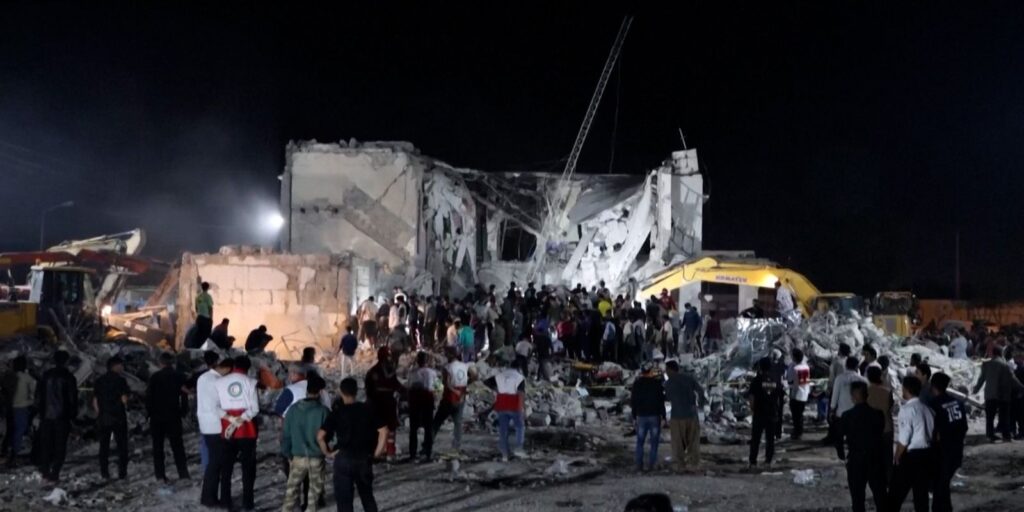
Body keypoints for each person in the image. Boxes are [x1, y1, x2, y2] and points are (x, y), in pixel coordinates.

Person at [318, 378, 387, 512]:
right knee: (367, 497)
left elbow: (320, 436)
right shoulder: (367, 409)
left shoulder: (337, 412)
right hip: (363, 457)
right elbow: (384, 431)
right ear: (356, 391)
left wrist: (328, 453)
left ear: (341, 392)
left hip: (343, 458)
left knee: (344, 502)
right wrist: (377, 453)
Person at [215, 356, 260, 511]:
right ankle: (248, 504)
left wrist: (231, 420)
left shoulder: (219, 382)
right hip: (247, 430)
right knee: (248, 468)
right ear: (248, 368)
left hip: (227, 429)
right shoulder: (251, 382)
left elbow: (216, 407)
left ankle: (225, 502)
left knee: (226, 468)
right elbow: (254, 409)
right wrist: (240, 419)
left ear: (234, 366)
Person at [835, 381, 887, 512]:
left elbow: (838, 438)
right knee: (880, 496)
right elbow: (880, 433)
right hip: (875, 459)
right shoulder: (878, 414)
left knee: (857, 498)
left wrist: (842, 455)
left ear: (853, 396)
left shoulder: (847, 416)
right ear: (867, 395)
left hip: (856, 459)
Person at [281, 373, 331, 512]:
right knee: (313, 497)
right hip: (316, 458)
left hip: (297, 457)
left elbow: (286, 435)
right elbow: (329, 436)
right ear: (320, 392)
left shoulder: (293, 409)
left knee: (290, 495)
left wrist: (287, 454)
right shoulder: (323, 411)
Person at [888, 376, 935, 512]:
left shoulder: (907, 410)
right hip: (926, 455)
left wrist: (897, 456)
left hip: (911, 457)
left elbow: (904, 439)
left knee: (895, 495)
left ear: (906, 389)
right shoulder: (928, 409)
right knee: (921, 496)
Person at [147, 352, 190, 482]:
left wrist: (149, 414)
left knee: (158, 447)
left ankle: (160, 475)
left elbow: (149, 398)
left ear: (160, 363)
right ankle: (183, 473)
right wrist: (183, 412)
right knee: (177, 446)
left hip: (157, 417)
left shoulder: (155, 377)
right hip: (174, 415)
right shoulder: (180, 376)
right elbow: (184, 396)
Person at [930, 372, 968, 512]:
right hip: (956, 450)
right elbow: (964, 427)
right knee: (943, 484)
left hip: (942, 453)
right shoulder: (958, 402)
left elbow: (933, 431)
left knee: (939, 485)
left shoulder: (934, 404)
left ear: (933, 386)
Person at [199, 356, 232, 508]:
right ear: (227, 369)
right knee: (215, 463)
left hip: (205, 424)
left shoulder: (203, 377)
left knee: (213, 462)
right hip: (215, 425)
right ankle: (208, 498)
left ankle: (208, 496)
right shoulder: (217, 381)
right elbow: (215, 406)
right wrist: (230, 417)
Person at [973, 346, 1024, 442]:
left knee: (990, 417)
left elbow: (981, 379)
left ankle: (990, 435)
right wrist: (1021, 388)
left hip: (990, 394)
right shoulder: (1004, 365)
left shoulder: (986, 364)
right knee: (1004, 416)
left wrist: (975, 390)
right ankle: (1006, 436)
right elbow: (1012, 378)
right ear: (1001, 353)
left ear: (993, 353)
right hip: (1002, 395)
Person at [664, 360, 706, 472]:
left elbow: (668, 397)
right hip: (692, 414)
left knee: (677, 442)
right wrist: (701, 404)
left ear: (670, 370)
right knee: (693, 441)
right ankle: (694, 464)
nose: (666, 372)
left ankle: (680, 465)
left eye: (666, 370)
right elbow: (700, 391)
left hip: (677, 415)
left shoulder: (668, 383)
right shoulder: (688, 378)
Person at [484, 354, 526, 461]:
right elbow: (521, 393)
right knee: (519, 427)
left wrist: (497, 390)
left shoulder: (500, 375)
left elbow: (486, 382)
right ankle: (518, 449)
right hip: (514, 403)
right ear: (519, 368)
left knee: (503, 430)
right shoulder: (520, 377)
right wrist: (523, 408)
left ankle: (504, 454)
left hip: (502, 403)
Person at [365, 347, 404, 461]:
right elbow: (396, 385)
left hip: (376, 404)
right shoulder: (390, 371)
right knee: (391, 428)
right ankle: (390, 453)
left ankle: (378, 452)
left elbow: (368, 390)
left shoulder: (372, 371)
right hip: (388, 403)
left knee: (377, 428)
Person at [94, 356, 130, 480]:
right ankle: (122, 473)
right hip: (118, 417)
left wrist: (99, 413)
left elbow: (95, 401)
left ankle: (104, 472)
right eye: (121, 365)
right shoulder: (121, 381)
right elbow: (124, 399)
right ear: (115, 366)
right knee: (122, 446)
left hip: (104, 417)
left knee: (104, 446)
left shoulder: (99, 381)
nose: (122, 367)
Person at [432, 347, 471, 452]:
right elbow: (473, 376)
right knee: (458, 423)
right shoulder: (465, 366)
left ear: (450, 355)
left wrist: (454, 390)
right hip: (461, 397)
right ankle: (456, 446)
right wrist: (464, 390)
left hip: (449, 397)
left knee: (437, 422)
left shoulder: (447, 367)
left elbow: (446, 383)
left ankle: (428, 444)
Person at [747, 357, 782, 468]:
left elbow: (751, 397)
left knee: (755, 439)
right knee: (770, 439)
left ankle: (753, 462)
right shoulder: (776, 380)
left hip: (759, 413)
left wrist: (752, 409)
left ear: (760, 367)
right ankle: (768, 461)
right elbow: (780, 396)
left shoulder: (756, 380)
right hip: (772, 413)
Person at [631, 362, 666, 472]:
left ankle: (639, 465)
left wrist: (633, 416)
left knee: (640, 441)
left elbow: (633, 401)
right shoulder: (656, 384)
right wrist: (664, 416)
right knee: (654, 442)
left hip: (641, 416)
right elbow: (661, 401)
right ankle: (652, 464)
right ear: (650, 371)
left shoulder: (637, 384)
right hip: (654, 416)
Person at [407, 351, 439, 463]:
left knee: (413, 429)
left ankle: (412, 454)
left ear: (418, 361)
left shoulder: (413, 373)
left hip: (415, 402)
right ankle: (428, 453)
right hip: (427, 401)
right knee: (428, 428)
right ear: (427, 361)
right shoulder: (432, 373)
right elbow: (438, 387)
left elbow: (409, 387)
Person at [3, 355, 34, 467]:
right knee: (19, 431)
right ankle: (14, 455)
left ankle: (5, 451)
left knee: (10, 430)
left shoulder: (8, 376)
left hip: (9, 408)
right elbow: (33, 393)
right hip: (21, 408)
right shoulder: (28, 378)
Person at [864, 366, 894, 478]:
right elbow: (890, 407)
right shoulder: (887, 391)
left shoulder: (865, 391)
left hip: (870, 429)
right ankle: (889, 480)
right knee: (887, 457)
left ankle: (874, 478)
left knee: (873, 457)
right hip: (887, 427)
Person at [831, 356, 867, 424]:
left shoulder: (839, 378)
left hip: (842, 413)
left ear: (846, 366)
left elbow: (835, 395)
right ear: (857, 366)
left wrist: (832, 409)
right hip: (858, 414)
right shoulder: (863, 380)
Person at [785, 348, 811, 440]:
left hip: (796, 393)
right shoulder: (806, 366)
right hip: (805, 392)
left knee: (796, 415)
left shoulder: (795, 368)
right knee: (800, 414)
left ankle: (797, 432)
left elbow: (790, 380)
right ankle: (799, 430)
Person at [192, 281, 214, 348]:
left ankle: (198, 349)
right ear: (208, 288)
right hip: (206, 319)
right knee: (206, 336)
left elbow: (196, 308)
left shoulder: (198, 297)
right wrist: (211, 319)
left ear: (202, 287)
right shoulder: (208, 297)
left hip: (199, 318)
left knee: (199, 335)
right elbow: (210, 308)